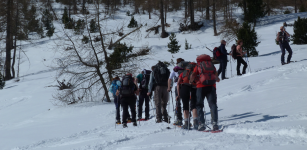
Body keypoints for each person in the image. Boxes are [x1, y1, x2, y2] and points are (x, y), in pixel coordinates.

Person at [190, 54, 220, 131]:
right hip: (211, 86)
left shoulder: (198, 65)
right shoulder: (211, 65)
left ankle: (201, 124)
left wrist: (191, 81)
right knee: (213, 104)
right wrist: (216, 79)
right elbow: (216, 76)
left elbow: (193, 74)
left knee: (199, 105)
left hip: (200, 86)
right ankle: (215, 123)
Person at [176, 62, 198, 129]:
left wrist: (178, 95)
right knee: (194, 106)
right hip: (194, 88)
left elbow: (178, 83)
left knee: (185, 106)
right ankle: (195, 123)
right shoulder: (196, 72)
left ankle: (186, 123)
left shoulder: (183, 73)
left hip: (184, 87)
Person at [167, 60, 185, 126]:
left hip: (177, 87)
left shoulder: (175, 69)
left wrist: (169, 87)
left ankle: (179, 120)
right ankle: (187, 120)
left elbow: (170, 79)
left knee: (178, 103)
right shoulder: (186, 68)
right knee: (186, 103)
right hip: (186, 86)